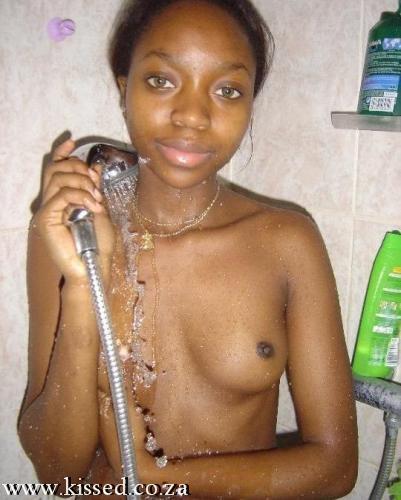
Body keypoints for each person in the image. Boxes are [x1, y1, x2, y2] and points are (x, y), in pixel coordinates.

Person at [18, 0, 358, 498]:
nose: (193, 116)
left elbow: (336, 467)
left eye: (227, 90)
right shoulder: (70, 233)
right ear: (124, 89)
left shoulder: (287, 243)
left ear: (250, 104)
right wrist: (82, 288)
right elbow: (55, 471)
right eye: (162, 80)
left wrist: (157, 479)